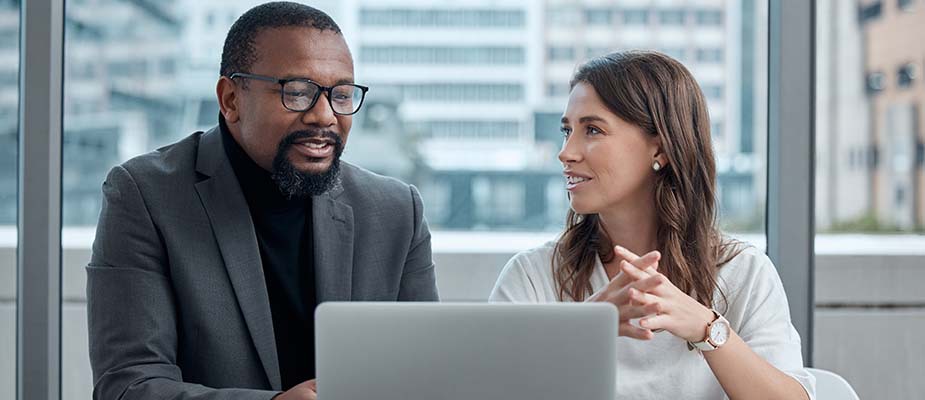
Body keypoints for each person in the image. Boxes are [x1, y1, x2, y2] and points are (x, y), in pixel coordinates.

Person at [86, 3, 438, 399]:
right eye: (298, 92)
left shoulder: (396, 212)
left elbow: (423, 377)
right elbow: (128, 385)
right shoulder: (145, 196)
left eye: (340, 95)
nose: (324, 116)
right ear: (231, 99)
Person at [489, 51, 815, 399]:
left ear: (659, 150)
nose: (566, 152)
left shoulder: (743, 272)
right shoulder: (532, 276)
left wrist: (707, 329)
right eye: (567, 130)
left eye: (593, 130)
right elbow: (485, 389)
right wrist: (585, 330)